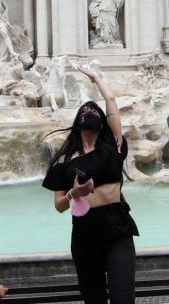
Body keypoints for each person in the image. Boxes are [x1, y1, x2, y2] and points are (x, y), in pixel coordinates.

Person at [43, 65, 138, 304]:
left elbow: (112, 100)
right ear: (78, 121)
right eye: (84, 110)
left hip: (117, 229)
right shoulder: (64, 161)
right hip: (85, 234)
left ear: (101, 120)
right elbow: (59, 206)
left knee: (123, 299)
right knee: (93, 300)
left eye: (93, 110)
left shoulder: (113, 145)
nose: (89, 111)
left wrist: (96, 78)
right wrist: (74, 194)